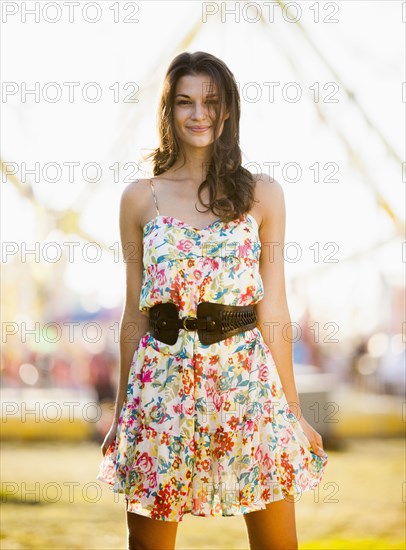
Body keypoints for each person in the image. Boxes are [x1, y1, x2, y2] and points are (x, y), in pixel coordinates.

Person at [96, 51, 328, 550]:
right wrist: (120, 415)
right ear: (168, 112)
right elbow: (134, 313)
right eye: (184, 102)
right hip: (159, 383)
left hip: (245, 382)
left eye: (210, 101)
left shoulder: (262, 194)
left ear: (227, 111)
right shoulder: (139, 198)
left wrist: (293, 411)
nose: (198, 113)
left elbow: (275, 307)